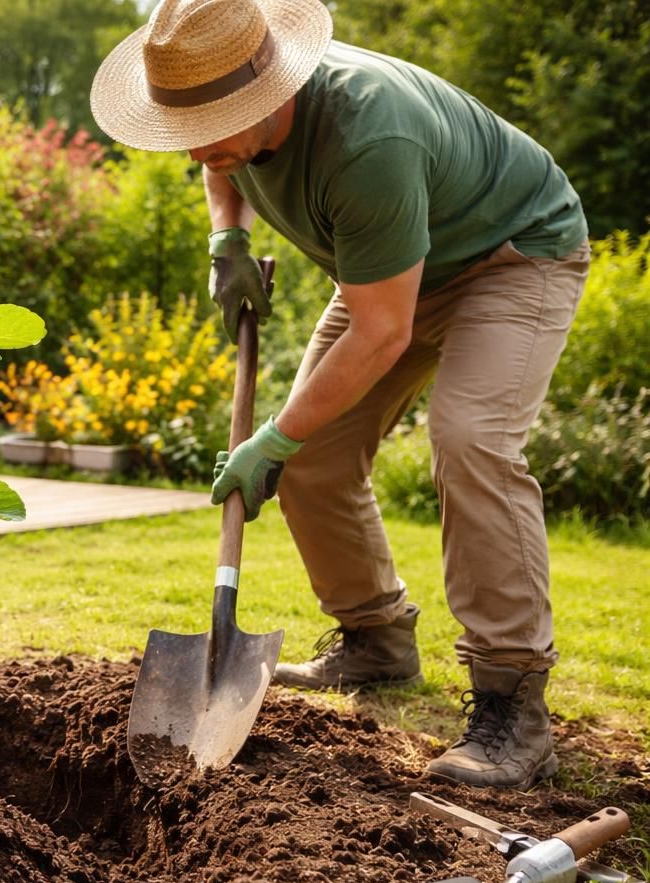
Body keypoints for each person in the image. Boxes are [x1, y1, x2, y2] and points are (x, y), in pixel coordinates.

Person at [90, 0, 590, 789]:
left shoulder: (367, 136)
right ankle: (376, 641)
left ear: (270, 92)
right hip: (394, 270)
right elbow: (227, 164)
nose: (194, 154)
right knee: (316, 456)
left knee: (471, 442)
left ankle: (513, 707)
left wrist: (272, 439)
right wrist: (230, 240)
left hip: (510, 256)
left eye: (211, 127)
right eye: (183, 131)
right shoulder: (229, 125)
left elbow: (382, 332)